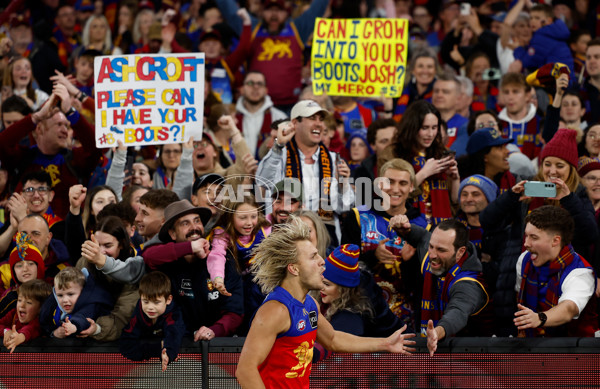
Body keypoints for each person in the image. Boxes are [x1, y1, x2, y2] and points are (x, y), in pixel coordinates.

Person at [235, 218, 415, 388]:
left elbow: (333, 339)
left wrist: (385, 344)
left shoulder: (310, 304)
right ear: (293, 268)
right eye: (313, 257)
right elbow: (245, 370)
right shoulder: (275, 311)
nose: (322, 261)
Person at [480, 128, 599, 336]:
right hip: (517, 279)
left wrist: (568, 199)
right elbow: (487, 221)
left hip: (561, 278)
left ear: (571, 169)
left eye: (560, 165)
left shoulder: (578, 196)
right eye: (547, 164)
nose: (552, 171)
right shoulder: (526, 192)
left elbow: (591, 234)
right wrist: (510, 197)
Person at [389, 217, 492, 355]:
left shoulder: (469, 283)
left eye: (441, 250)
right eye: (431, 246)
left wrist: (437, 332)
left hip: (470, 359)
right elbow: (423, 237)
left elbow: (458, 312)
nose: (432, 254)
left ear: (460, 252)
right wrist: (407, 230)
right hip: (431, 353)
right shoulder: (432, 254)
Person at [142, 200, 244, 340]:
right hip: (177, 347)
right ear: (172, 234)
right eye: (185, 223)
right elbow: (147, 256)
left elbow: (235, 312)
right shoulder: (167, 262)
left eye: (197, 221)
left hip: (216, 347)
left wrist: (214, 331)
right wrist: (190, 248)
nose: (194, 227)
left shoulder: (222, 261)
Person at [257, 100, 353, 245]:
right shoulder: (279, 155)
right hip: (284, 237)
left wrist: (344, 185)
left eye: (321, 119)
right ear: (295, 123)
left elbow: (345, 207)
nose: (319, 123)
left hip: (324, 239)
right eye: (312, 118)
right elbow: (261, 183)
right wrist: (278, 145)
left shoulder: (334, 160)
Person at [0, 88, 102, 218]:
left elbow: (96, 146)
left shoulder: (75, 159)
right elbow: (2, 143)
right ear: (40, 129)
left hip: (65, 235)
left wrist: (72, 113)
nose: (65, 130)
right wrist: (36, 117)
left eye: (67, 125)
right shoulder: (22, 158)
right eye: (59, 124)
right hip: (23, 234)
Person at [514, 206, 598, 337]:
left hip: (576, 350)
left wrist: (539, 319)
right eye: (526, 236)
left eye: (534, 238)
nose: (526, 243)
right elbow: (519, 295)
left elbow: (569, 309)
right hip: (531, 344)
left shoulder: (580, 273)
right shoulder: (524, 259)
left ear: (555, 241)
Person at [380, 100, 459, 229]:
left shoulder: (442, 152)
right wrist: (424, 173)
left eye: (434, 128)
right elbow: (387, 195)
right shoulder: (391, 154)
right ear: (412, 127)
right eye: (424, 128)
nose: (430, 134)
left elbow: (455, 202)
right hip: (405, 226)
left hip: (441, 229)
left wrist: (455, 179)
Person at [75, 216, 140, 342]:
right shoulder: (84, 263)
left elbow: (123, 316)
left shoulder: (133, 268)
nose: (101, 251)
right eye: (97, 245)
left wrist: (97, 328)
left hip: (117, 341)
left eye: (108, 245)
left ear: (121, 244)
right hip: (80, 331)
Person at [120, 271, 186, 372]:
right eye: (145, 301)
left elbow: (174, 334)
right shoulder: (138, 313)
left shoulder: (174, 314)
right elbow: (126, 345)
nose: (150, 307)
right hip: (145, 369)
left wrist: (168, 352)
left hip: (177, 366)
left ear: (168, 300)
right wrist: (158, 347)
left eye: (156, 302)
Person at [206, 194, 272, 296]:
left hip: (257, 282)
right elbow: (217, 255)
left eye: (254, 216)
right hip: (233, 283)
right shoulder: (222, 234)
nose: (249, 222)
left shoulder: (264, 228)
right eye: (243, 218)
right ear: (230, 217)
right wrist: (218, 278)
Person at [0, 214, 70, 292]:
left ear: (48, 238)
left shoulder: (64, 271)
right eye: (23, 234)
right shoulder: (4, 269)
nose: (29, 239)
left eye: (36, 234)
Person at [39, 266, 113, 338]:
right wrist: (53, 332)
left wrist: (74, 326)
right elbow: (44, 322)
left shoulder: (91, 304)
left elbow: (83, 317)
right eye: (60, 295)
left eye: (70, 294)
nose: (65, 300)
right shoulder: (54, 306)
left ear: (82, 292)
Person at [511, 1, 575, 76]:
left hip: (556, 83)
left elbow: (528, 62)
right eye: (531, 18)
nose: (533, 21)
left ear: (549, 21)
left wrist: (518, 48)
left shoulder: (541, 36)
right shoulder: (554, 32)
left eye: (537, 18)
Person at [235, 71, 288, 157]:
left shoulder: (279, 117)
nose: (255, 87)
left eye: (260, 84)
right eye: (250, 83)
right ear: (242, 89)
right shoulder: (231, 117)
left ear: (266, 90)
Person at [497, 72, 543, 161]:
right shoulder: (496, 124)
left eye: (515, 91)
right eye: (506, 92)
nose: (510, 97)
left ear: (527, 95)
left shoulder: (541, 124)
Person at [0, 279, 51, 353]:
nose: (22, 305)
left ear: (41, 308)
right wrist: (6, 331)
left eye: (29, 302)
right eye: (19, 300)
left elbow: (30, 330)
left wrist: (19, 337)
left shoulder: (39, 321)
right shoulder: (14, 313)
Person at [393, 48, 439, 122]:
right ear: (413, 70)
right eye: (420, 66)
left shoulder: (440, 93)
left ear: (435, 70)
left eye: (429, 67)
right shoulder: (399, 93)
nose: (425, 71)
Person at [432, 74, 469, 157]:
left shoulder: (465, 126)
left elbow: (455, 156)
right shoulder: (422, 122)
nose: (439, 95)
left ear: (458, 98)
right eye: (436, 91)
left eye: (445, 92)